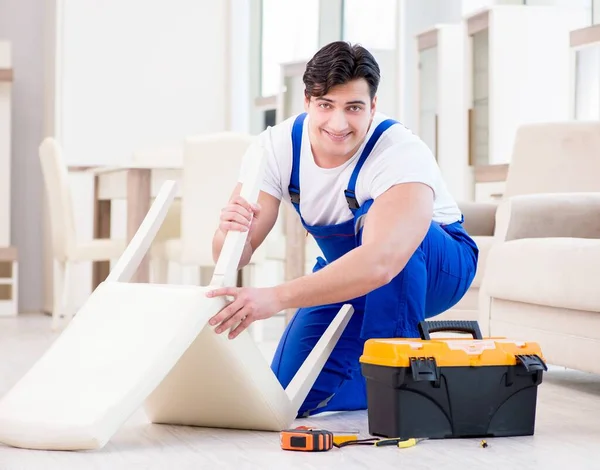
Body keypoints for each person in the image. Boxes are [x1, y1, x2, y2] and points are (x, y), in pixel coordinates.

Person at [206, 41, 478, 417]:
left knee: (383, 224)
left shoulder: (399, 151)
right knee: (286, 394)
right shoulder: (274, 149)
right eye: (326, 106)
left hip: (438, 266)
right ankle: (395, 376)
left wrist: (276, 297)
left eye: (353, 108)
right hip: (351, 268)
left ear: (372, 106)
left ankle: (400, 376)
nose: (338, 124)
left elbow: (382, 262)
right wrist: (228, 233)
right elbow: (235, 253)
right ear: (307, 101)